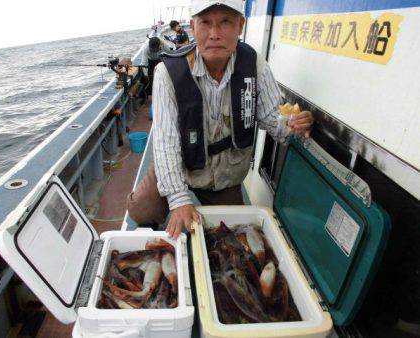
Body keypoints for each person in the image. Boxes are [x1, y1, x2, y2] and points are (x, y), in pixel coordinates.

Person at [127, 0, 314, 239]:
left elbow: (273, 119)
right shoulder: (167, 74)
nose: (214, 34)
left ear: (240, 26)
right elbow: (165, 143)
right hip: (182, 165)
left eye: (225, 22)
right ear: (193, 27)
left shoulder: (254, 65)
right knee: (142, 210)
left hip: (225, 176)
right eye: (205, 23)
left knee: (236, 234)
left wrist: (292, 124)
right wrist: (178, 198)